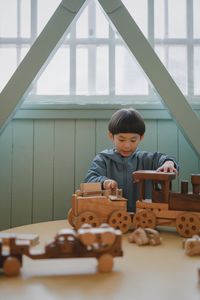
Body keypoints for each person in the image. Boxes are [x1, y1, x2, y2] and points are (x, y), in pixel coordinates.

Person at [84, 108, 179, 212]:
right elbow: (90, 178)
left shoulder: (146, 159)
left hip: (143, 216)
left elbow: (165, 159)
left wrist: (169, 163)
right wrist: (104, 182)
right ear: (111, 136)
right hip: (113, 216)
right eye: (121, 139)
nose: (127, 146)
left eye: (133, 140)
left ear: (141, 137)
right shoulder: (103, 159)